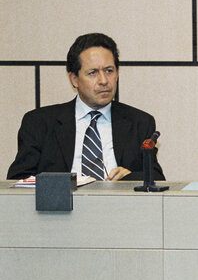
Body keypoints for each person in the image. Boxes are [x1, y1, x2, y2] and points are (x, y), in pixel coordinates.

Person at [7, 33, 164, 181]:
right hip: (61, 208)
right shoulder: (39, 122)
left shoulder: (140, 122)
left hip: (120, 207)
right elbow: (18, 180)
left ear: (117, 74)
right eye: (93, 73)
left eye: (109, 71)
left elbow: (157, 179)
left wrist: (129, 178)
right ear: (74, 79)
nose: (103, 80)